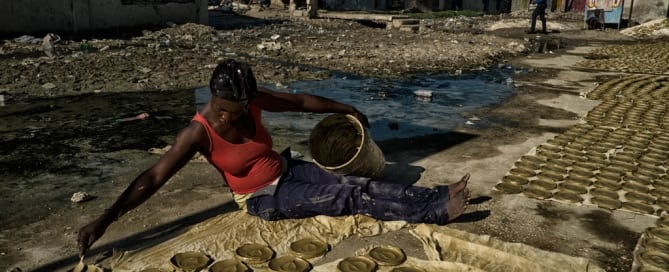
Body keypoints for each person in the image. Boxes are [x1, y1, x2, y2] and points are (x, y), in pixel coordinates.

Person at [77, 59, 471, 255]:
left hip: (287, 168)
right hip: (261, 197)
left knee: (357, 183)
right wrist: (105, 219)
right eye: (234, 107)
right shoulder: (198, 132)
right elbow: (152, 178)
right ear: (217, 100)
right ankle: (434, 210)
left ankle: (435, 196)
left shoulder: (249, 102)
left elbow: (300, 101)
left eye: (247, 103)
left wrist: (346, 107)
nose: (243, 111)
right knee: (346, 199)